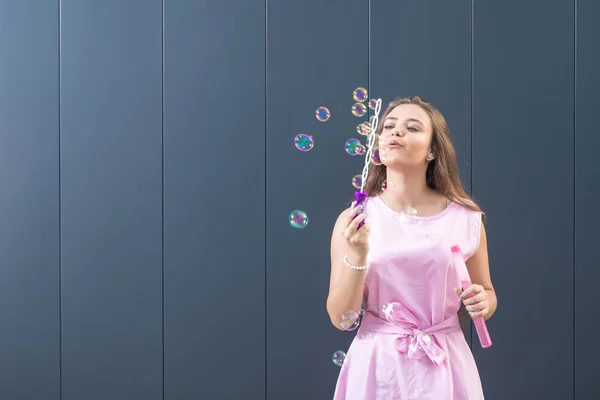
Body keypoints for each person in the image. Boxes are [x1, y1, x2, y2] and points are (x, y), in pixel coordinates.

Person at [327, 96, 497, 399]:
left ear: (432, 150)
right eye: (389, 126)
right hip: (377, 366)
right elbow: (342, 317)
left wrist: (483, 302)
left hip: (445, 363)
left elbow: (487, 292)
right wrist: (357, 254)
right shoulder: (356, 219)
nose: (395, 132)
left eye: (412, 127)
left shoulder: (466, 217)